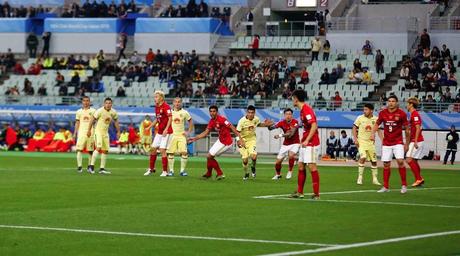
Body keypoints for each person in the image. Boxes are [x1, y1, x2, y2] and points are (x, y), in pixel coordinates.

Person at [188, 105, 244, 180]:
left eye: (214, 111)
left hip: (227, 143)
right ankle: (209, 173)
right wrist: (195, 138)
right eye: (211, 111)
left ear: (217, 112)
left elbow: (232, 128)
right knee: (209, 157)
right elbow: (205, 132)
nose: (212, 113)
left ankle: (219, 173)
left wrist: (238, 139)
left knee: (209, 156)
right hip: (220, 141)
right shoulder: (211, 121)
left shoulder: (222, 119)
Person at [371, 95, 410, 194]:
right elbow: (376, 124)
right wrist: (372, 134)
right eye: (389, 101)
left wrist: (407, 144)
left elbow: (407, 129)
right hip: (386, 143)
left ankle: (404, 185)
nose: (391, 103)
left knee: (400, 161)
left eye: (393, 101)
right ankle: (385, 186)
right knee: (386, 164)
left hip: (398, 142)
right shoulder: (382, 113)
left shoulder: (402, 114)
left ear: (396, 103)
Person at [289, 90, 320, 199]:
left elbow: (314, 125)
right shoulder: (302, 110)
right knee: (301, 165)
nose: (292, 100)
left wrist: (307, 140)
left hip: (311, 143)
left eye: (292, 98)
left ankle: (316, 194)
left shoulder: (306, 110)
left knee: (311, 166)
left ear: (296, 98)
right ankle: (300, 192)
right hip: (305, 142)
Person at [236, 105, 271, 180]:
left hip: (252, 140)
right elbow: (237, 132)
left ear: (254, 113)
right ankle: (246, 173)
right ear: (247, 113)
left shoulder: (256, 119)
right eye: (249, 112)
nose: (251, 114)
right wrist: (239, 141)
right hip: (243, 141)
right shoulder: (241, 121)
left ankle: (253, 167)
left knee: (254, 157)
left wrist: (265, 124)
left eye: (252, 113)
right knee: (245, 161)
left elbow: (259, 124)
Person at [87, 97, 120, 175]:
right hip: (98, 132)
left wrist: (118, 131)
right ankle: (91, 167)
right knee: (98, 147)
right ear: (104, 104)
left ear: (111, 104)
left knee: (105, 150)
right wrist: (89, 130)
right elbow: (92, 119)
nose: (108, 105)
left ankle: (102, 168)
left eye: (109, 103)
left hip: (105, 133)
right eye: (106, 103)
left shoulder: (113, 112)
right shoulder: (100, 111)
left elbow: (116, 121)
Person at [144, 91, 173, 177]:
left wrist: (166, 129)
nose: (155, 98)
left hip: (166, 132)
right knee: (153, 149)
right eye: (154, 97)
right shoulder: (156, 107)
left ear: (161, 98)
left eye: (156, 97)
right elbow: (157, 119)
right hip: (160, 131)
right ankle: (151, 169)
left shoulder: (166, 106)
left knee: (162, 150)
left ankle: (165, 171)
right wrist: (149, 127)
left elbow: (170, 118)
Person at [353, 103, 381, 185]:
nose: (364, 111)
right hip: (361, 142)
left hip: (371, 143)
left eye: (366, 110)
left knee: (374, 161)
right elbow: (354, 128)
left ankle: (375, 179)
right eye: (364, 109)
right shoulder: (360, 118)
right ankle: (360, 178)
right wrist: (355, 139)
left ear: (371, 110)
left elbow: (379, 131)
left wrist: (383, 141)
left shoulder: (376, 119)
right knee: (363, 157)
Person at [268, 108, 300, 180]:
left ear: (292, 115)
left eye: (290, 114)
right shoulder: (282, 122)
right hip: (286, 144)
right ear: (284, 115)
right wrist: (269, 125)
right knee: (278, 162)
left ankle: (290, 171)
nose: (288, 116)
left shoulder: (295, 122)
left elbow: (291, 134)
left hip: (295, 143)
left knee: (291, 155)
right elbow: (271, 128)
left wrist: (279, 135)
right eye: (286, 114)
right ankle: (278, 175)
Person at [167, 97, 194, 176]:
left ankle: (182, 171)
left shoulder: (185, 112)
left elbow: (191, 121)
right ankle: (171, 171)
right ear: (173, 103)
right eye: (176, 102)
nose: (177, 103)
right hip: (172, 135)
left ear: (181, 103)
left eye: (179, 102)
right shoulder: (170, 112)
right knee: (171, 153)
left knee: (184, 153)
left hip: (181, 135)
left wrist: (188, 132)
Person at [405, 97, 425, 187]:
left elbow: (418, 128)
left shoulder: (415, 114)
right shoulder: (413, 114)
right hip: (415, 140)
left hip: (417, 141)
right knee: (414, 161)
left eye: (407, 104)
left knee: (409, 159)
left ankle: (418, 179)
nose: (406, 105)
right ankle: (419, 179)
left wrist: (415, 141)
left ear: (411, 104)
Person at [74, 96, 96, 173]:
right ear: (82, 102)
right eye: (84, 101)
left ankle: (89, 166)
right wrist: (75, 133)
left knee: (90, 151)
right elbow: (77, 123)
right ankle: (79, 167)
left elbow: (95, 123)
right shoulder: (79, 111)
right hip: (81, 133)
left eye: (87, 101)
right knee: (79, 149)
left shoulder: (93, 111)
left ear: (89, 102)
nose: (86, 102)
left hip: (91, 133)